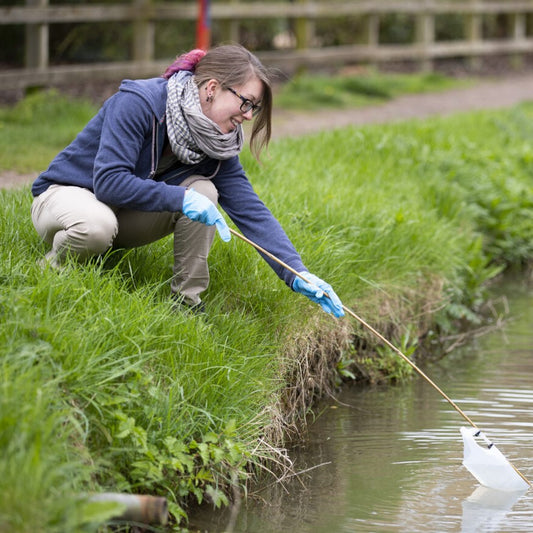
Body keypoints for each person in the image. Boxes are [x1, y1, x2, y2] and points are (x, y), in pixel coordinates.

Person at [30, 44, 344, 317]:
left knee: (204, 191)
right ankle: (50, 272)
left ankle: (185, 305)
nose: (249, 116)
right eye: (246, 102)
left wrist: (296, 273)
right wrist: (180, 199)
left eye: (255, 108)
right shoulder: (140, 103)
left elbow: (251, 211)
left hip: (118, 214)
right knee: (97, 226)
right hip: (67, 198)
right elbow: (111, 181)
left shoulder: (215, 142)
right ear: (211, 88)